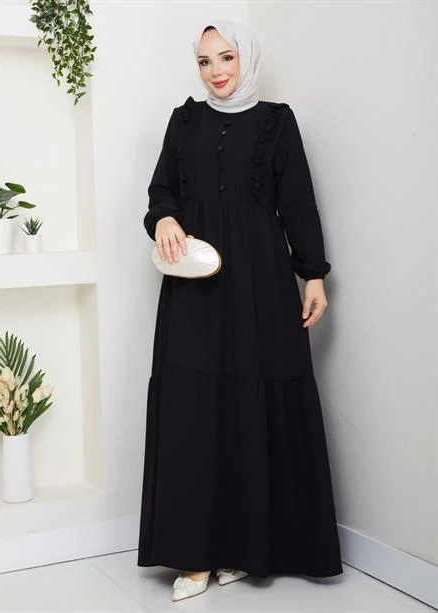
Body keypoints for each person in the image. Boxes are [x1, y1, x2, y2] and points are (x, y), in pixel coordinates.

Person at [137, 19, 343, 602]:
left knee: (252, 402)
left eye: (226, 57)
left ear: (246, 58)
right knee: (195, 407)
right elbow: (161, 191)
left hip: (261, 282)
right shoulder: (185, 120)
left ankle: (243, 549)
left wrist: (313, 274)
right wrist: (166, 218)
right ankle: (194, 555)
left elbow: (298, 203)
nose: (216, 71)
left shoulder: (278, 121)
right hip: (195, 281)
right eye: (205, 61)